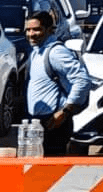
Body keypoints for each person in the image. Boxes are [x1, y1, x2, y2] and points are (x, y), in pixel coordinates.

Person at [24, 11, 90, 156]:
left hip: (55, 123)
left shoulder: (56, 52)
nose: (31, 34)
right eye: (28, 30)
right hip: (38, 123)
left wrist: (65, 112)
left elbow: (82, 79)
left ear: (49, 30)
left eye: (36, 29)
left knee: (52, 171)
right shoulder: (36, 51)